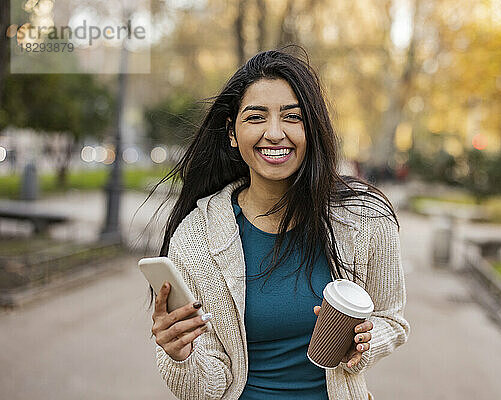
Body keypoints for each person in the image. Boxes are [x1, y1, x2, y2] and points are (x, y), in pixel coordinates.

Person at [147, 46, 410, 400]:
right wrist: (181, 357)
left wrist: (364, 340)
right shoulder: (196, 239)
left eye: (292, 117)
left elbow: (392, 319)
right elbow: (207, 387)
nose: (274, 132)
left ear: (312, 128)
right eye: (256, 117)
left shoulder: (364, 221)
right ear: (231, 132)